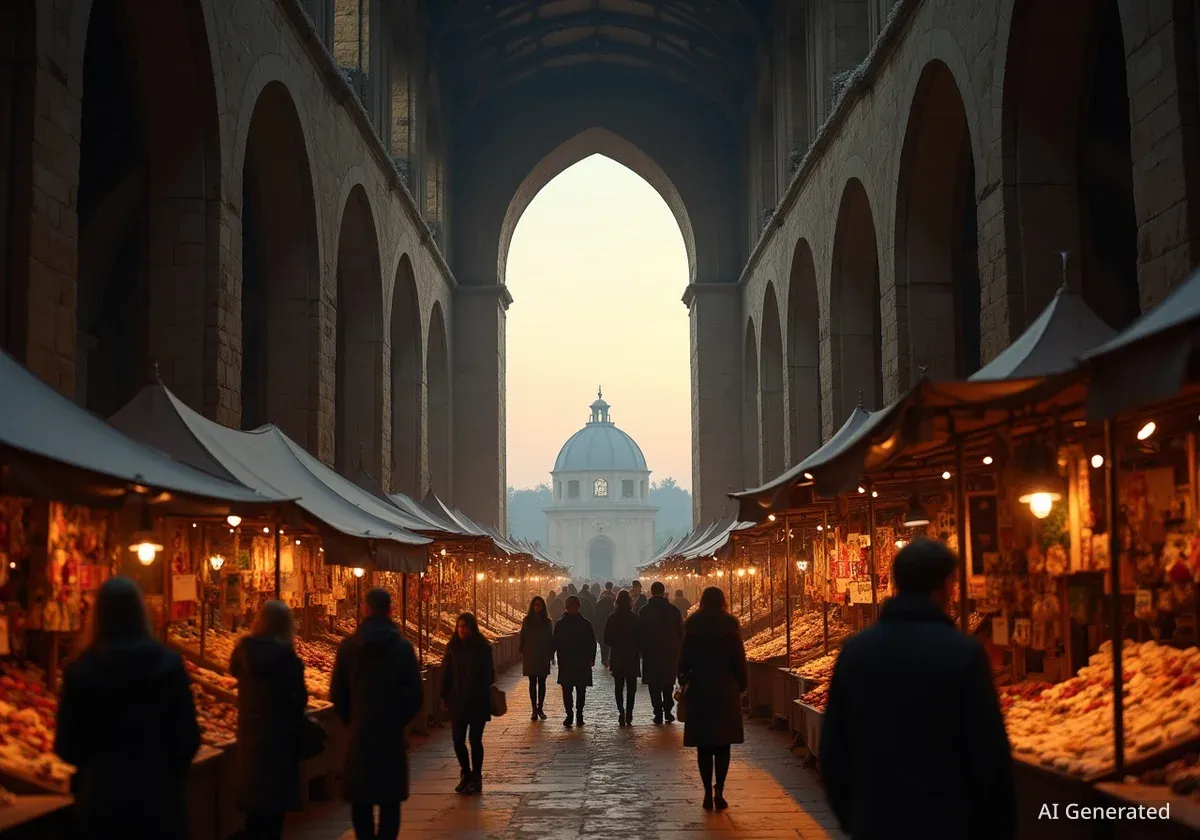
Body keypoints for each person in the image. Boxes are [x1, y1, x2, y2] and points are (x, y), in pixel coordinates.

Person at [820, 540, 1016, 839]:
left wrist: (853, 817)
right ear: (943, 586)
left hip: (876, 817)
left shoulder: (856, 652)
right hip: (950, 820)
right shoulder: (963, 653)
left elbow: (834, 747)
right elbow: (989, 752)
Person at [55, 577, 200, 839]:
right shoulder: (169, 665)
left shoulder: (80, 671)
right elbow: (188, 737)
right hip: (159, 799)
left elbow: (66, 746)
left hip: (101, 803)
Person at [331, 588, 423, 840]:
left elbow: (337, 694)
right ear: (390, 610)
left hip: (359, 736)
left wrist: (354, 719)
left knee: (360, 801)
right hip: (391, 737)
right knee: (389, 801)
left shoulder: (348, 647)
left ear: (366, 609)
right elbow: (415, 694)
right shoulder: (403, 648)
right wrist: (397, 719)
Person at [230, 601, 309, 840]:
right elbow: (299, 700)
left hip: (250, 744)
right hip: (279, 746)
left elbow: (234, 673)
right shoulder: (288, 659)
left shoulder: (243, 654)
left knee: (254, 815)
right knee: (274, 818)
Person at [678, 586, 747, 812]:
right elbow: (739, 660)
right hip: (725, 690)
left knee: (704, 746)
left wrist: (685, 680)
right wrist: (741, 685)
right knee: (723, 743)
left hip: (700, 690)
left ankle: (707, 791)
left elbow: (683, 662)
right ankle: (720, 789)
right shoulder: (730, 626)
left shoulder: (693, 626)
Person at [442, 612, 496, 794]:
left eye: (465, 626)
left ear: (472, 627)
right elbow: (446, 674)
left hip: (477, 701)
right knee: (457, 741)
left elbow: (490, 675)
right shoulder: (451, 648)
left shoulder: (482, 648)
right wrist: (445, 696)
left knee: (475, 740)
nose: (462, 630)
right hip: (457, 701)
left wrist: (476, 682)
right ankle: (466, 772)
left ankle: (477, 777)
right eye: (459, 626)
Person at [639, 581, 684, 724]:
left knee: (654, 684)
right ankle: (668, 711)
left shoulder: (644, 611)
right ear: (664, 592)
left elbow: (640, 633)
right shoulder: (674, 610)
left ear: (651, 592)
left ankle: (657, 712)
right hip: (670, 653)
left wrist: (641, 649)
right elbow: (681, 632)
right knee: (668, 683)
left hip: (651, 653)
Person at [552, 595, 596, 727]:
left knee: (580, 690)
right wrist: (551, 655)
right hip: (568, 661)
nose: (574, 609)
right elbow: (555, 641)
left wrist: (591, 657)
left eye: (575, 606)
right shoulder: (564, 624)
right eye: (572, 606)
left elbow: (591, 642)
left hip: (577, 661)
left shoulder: (583, 623)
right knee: (567, 690)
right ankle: (570, 714)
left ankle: (579, 713)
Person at [603, 589, 641, 726]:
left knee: (618, 687)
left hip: (618, 655)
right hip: (632, 656)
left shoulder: (612, 618)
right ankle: (629, 713)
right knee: (631, 688)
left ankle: (621, 712)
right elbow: (640, 639)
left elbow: (606, 639)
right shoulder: (635, 618)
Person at [519, 596, 553, 721]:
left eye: (539, 605)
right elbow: (523, 635)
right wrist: (523, 650)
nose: (537, 607)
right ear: (532, 607)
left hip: (542, 655)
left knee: (542, 682)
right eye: (535, 605)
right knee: (532, 682)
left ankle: (540, 707)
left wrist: (550, 654)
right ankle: (534, 708)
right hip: (531, 654)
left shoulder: (547, 621)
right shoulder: (527, 620)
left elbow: (550, 638)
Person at [593, 582, 616, 667]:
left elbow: (596, 614)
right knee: (609, 643)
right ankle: (608, 658)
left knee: (603, 643)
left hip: (601, 625)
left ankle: (604, 658)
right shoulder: (613, 599)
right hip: (610, 625)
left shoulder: (600, 600)